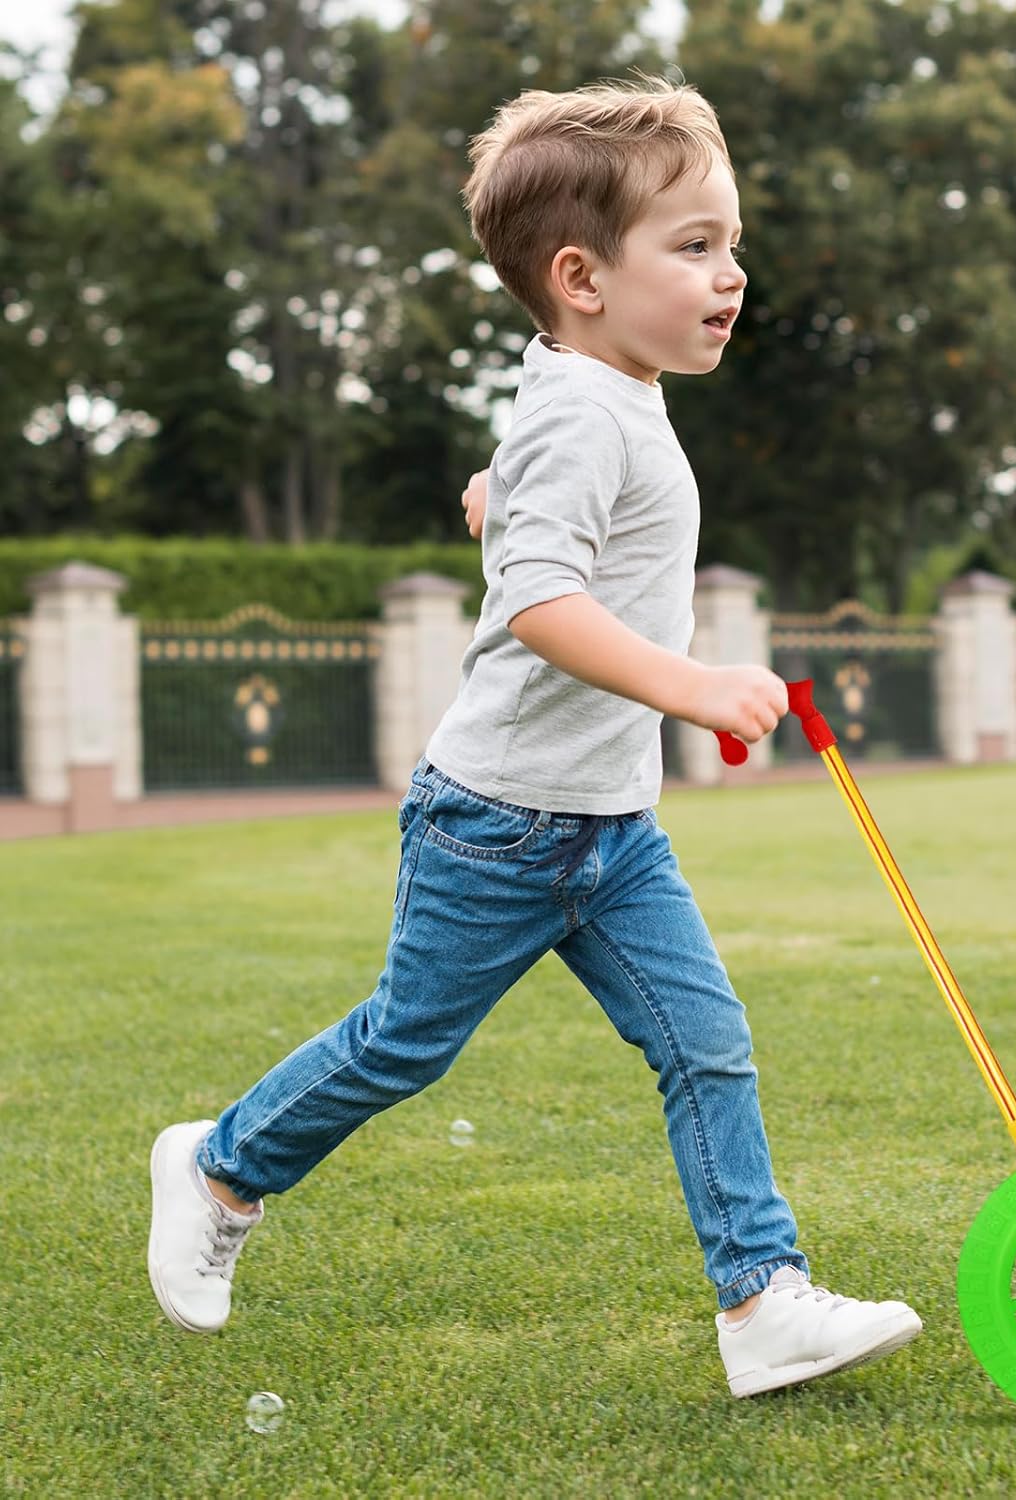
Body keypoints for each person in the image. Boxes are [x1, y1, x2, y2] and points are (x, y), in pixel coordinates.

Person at [147, 73, 921, 1399]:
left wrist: (501, 489)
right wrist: (691, 685)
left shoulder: (597, 386)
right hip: (498, 824)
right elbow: (541, 604)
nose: (732, 273)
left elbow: (554, 483)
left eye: (731, 243)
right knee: (405, 1043)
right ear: (582, 277)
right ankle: (218, 1166)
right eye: (695, 245)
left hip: (612, 832)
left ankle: (762, 1302)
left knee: (705, 1042)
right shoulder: (583, 406)